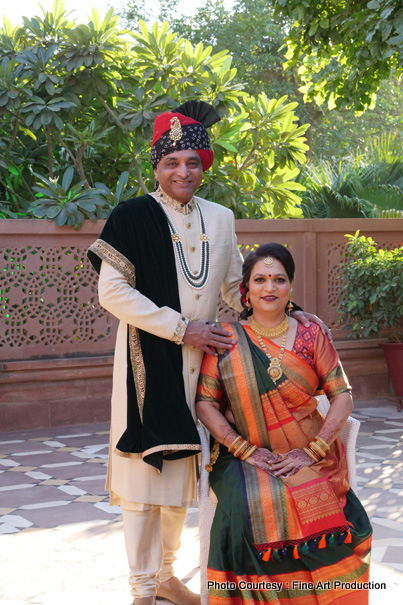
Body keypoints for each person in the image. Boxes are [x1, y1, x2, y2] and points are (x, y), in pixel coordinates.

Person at [88, 101, 329, 605]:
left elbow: (234, 287)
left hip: (203, 369)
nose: (183, 171)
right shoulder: (132, 216)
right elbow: (111, 292)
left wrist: (292, 312)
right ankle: (140, 590)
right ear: (155, 166)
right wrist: (182, 328)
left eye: (193, 161)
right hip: (145, 365)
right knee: (142, 477)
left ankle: (167, 577)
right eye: (172, 162)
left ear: (204, 165)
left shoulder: (219, 218)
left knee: (183, 475)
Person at [196, 242, 372, 605]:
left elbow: (343, 395)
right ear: (245, 288)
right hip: (244, 454)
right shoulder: (226, 338)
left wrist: (313, 451)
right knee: (259, 498)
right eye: (260, 279)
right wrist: (246, 450)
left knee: (313, 497)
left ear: (290, 285)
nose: (269, 288)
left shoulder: (312, 334)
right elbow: (205, 404)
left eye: (279, 279)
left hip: (311, 449)